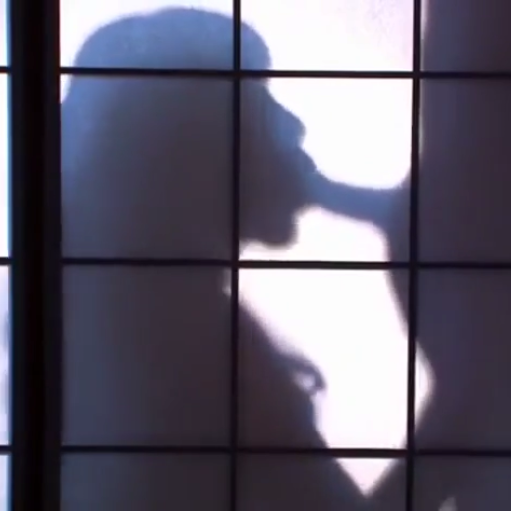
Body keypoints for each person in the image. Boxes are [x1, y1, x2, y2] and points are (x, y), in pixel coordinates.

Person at [60, 8, 366, 510]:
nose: (295, 125)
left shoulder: (131, 318)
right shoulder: (185, 340)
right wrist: (464, 399)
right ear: (195, 147)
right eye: (259, 101)